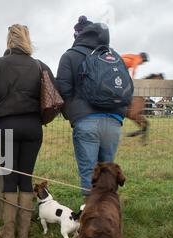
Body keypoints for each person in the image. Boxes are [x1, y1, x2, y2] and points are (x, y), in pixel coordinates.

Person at [0, 24, 54, 238]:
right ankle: (24, 231)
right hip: (32, 127)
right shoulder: (40, 66)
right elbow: (52, 98)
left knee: (9, 179)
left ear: (9, 40)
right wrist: (40, 119)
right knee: (26, 178)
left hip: (5, 126)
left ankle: (9, 233)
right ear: (28, 40)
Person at [56, 17, 129, 199]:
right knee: (107, 173)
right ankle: (109, 215)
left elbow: (63, 89)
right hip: (113, 122)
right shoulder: (113, 56)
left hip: (86, 121)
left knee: (89, 172)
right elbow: (125, 88)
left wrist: (74, 113)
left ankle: (92, 217)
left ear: (79, 35)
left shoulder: (70, 55)